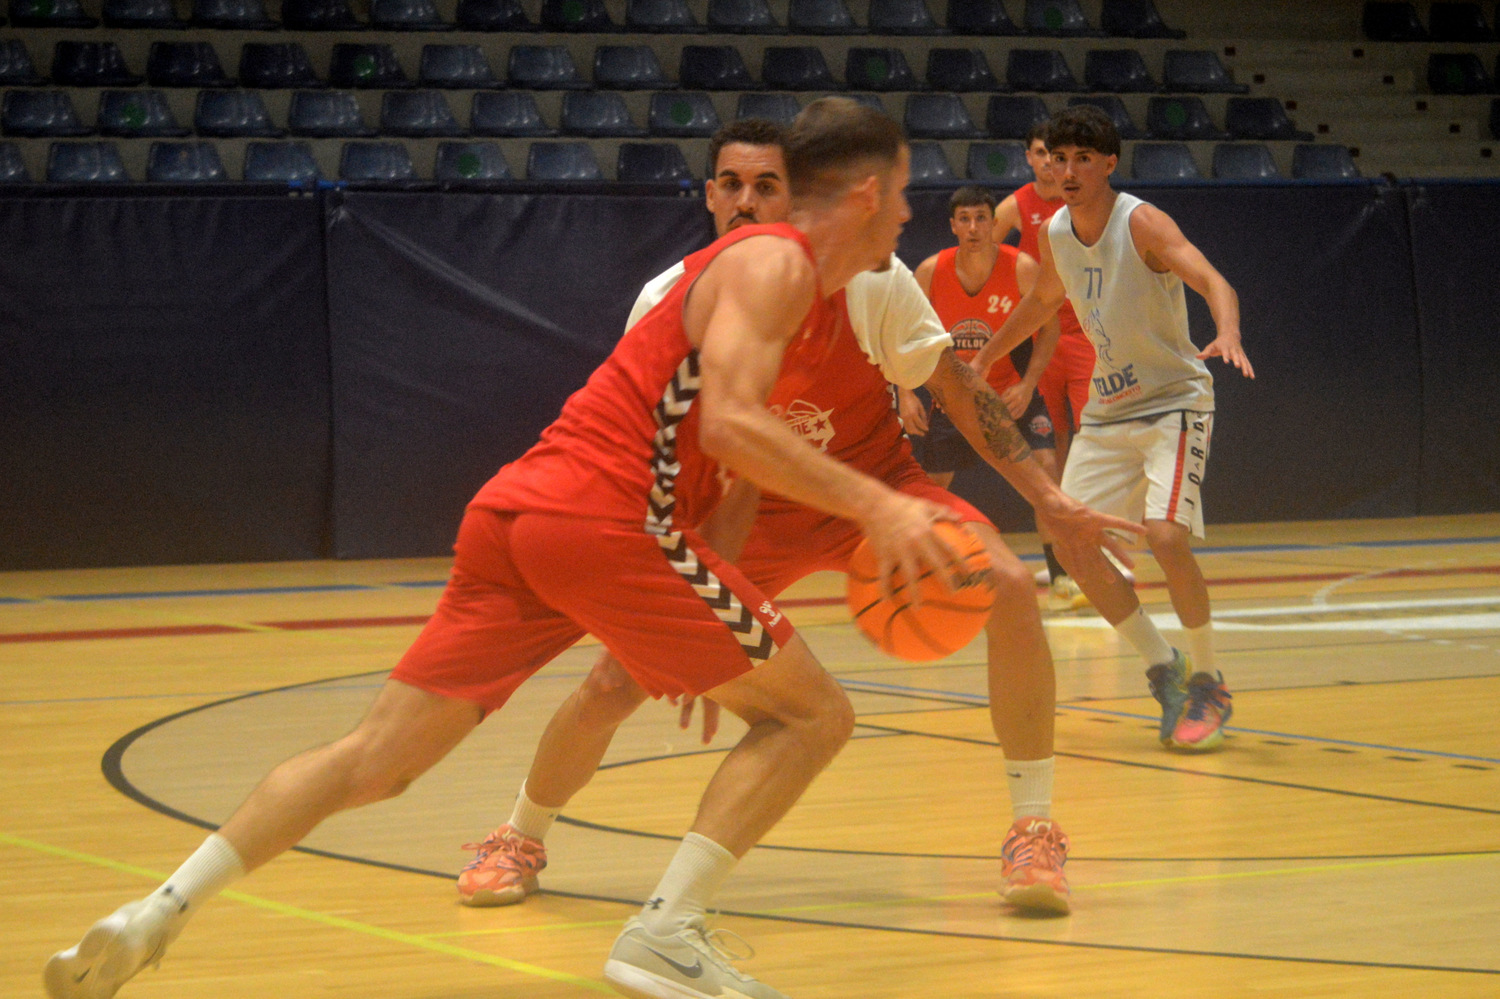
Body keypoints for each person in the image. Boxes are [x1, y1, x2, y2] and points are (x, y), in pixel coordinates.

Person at [43, 99, 1000, 999]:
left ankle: (155, 911)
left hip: (522, 512)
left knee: (376, 759)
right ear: (870, 193)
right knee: (815, 718)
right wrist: (884, 507)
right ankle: (666, 930)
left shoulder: (813, 300)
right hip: (609, 517)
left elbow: (735, 476)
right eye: (909, 191)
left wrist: (714, 621)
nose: (912, 213)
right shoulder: (774, 261)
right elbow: (731, 428)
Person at [456, 123, 1145, 927]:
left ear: (796, 198)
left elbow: (955, 386)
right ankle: (519, 833)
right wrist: (694, 608)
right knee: (615, 678)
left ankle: (1034, 829)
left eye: (766, 185)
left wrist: (1046, 498)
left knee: (1010, 584)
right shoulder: (667, 296)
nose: (747, 201)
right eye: (731, 184)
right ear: (710, 196)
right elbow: (660, 456)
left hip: (872, 485)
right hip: (743, 507)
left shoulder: (871, 279)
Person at [971, 104, 1255, 753]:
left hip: (1173, 400)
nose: (1064, 171)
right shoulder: (1059, 235)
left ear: (1106, 164)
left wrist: (1227, 330)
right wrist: (987, 355)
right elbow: (1042, 301)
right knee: (1071, 538)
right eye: (1055, 157)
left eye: (1078, 159)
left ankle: (1210, 678)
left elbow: (1213, 278)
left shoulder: (1142, 222)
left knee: (1163, 534)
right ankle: (1165, 670)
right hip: (1108, 406)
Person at [895, 186, 1084, 613]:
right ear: (952, 225)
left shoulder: (1021, 267)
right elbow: (900, 335)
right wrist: (906, 393)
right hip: (955, 398)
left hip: (1011, 391)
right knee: (931, 488)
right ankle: (922, 574)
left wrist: (1029, 382)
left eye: (982, 218)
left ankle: (1061, 578)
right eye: (965, 219)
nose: (975, 227)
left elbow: (1050, 329)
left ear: (993, 223)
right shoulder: (930, 270)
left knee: (1047, 471)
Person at [991, 122, 1103, 606]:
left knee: (1096, 439)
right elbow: (984, 257)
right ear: (1030, 158)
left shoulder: (1087, 203)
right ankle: (1062, 562)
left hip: (1086, 334)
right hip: (1040, 337)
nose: (1049, 163)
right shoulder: (1014, 207)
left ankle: (1103, 554)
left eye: (1056, 155)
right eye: (1041, 154)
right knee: (1050, 452)